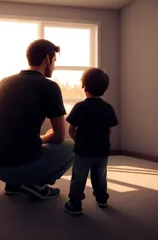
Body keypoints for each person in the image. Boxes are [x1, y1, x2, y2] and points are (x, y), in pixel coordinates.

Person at [0, 39, 74, 200]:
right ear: (47, 59)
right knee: (72, 146)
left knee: (29, 146)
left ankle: (13, 185)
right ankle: (37, 185)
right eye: (54, 61)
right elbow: (59, 136)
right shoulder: (50, 87)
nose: (54, 66)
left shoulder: (4, 82)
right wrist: (43, 138)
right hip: (21, 166)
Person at [64, 67, 118, 215]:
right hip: (102, 151)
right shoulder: (108, 108)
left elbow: (71, 130)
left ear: (84, 87)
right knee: (100, 177)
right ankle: (102, 199)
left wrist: (78, 139)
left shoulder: (80, 107)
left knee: (78, 178)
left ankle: (75, 204)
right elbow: (109, 130)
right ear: (105, 89)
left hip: (83, 151)